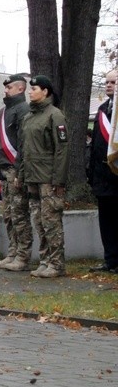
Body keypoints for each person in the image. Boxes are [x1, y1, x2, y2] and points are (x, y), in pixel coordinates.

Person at [16, 75, 69, 278]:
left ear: (45, 91)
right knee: (38, 220)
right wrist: (21, 175)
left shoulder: (55, 115)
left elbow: (62, 149)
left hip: (49, 178)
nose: (30, 92)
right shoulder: (29, 117)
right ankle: (45, 260)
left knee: (51, 220)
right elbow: (24, 149)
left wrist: (59, 180)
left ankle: (57, 263)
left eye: (34, 88)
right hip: (32, 177)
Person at [0, 75, 33, 271]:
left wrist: (19, 171)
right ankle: (13, 252)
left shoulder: (23, 110)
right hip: (3, 170)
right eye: (5, 87)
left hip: (15, 170)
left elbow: (23, 144)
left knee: (19, 214)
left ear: (20, 89)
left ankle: (23, 256)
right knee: (8, 214)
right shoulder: (3, 112)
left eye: (9, 87)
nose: (5, 90)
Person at [87, 69, 118, 274]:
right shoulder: (101, 110)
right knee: (106, 222)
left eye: (113, 82)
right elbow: (97, 143)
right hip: (102, 177)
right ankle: (110, 260)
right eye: (106, 82)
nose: (108, 85)